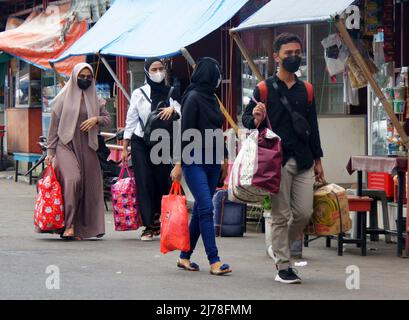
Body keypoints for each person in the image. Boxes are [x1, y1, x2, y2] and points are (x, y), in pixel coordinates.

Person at [242, 33, 324, 284]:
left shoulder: (307, 89)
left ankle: (278, 248)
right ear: (276, 57)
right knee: (280, 214)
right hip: (276, 161)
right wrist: (255, 117)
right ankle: (283, 266)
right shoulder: (264, 88)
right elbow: (247, 121)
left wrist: (318, 160)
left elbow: (313, 126)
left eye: (298, 52)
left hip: (304, 159)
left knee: (303, 213)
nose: (294, 57)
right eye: (288, 53)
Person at [171, 57, 231, 276]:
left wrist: (224, 159)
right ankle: (214, 261)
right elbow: (185, 132)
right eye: (217, 72)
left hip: (213, 161)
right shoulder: (193, 97)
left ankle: (184, 257)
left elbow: (217, 130)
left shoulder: (212, 97)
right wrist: (179, 164)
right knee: (206, 208)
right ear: (210, 75)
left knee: (198, 211)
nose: (219, 77)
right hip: (194, 159)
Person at [45, 63, 111, 240]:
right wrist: (50, 153)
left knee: (89, 187)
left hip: (88, 147)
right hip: (65, 145)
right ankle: (69, 224)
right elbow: (53, 128)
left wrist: (96, 119)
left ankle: (81, 228)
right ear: (74, 77)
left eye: (89, 77)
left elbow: (107, 119)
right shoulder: (62, 98)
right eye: (81, 76)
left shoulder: (97, 99)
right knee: (73, 180)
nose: (85, 79)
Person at [122, 58, 181, 241]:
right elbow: (131, 119)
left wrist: (173, 109)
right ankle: (149, 225)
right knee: (144, 181)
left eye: (160, 68)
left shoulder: (172, 92)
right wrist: (125, 146)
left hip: (162, 142)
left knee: (163, 180)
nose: (158, 72)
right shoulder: (139, 93)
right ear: (147, 72)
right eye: (154, 69)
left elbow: (181, 114)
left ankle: (164, 220)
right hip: (140, 141)